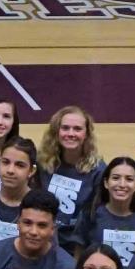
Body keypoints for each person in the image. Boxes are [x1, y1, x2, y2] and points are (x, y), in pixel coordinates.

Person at [38, 106, 104, 248]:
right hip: (42, 239)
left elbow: (96, 216)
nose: (71, 133)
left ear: (86, 134)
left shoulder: (98, 171)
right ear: (57, 132)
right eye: (65, 128)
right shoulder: (42, 163)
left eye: (77, 129)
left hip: (75, 245)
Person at [74, 156, 135, 267]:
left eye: (129, 179)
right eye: (115, 178)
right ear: (106, 182)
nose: (122, 184)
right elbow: (78, 257)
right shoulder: (89, 214)